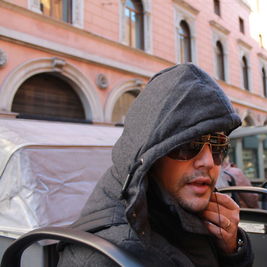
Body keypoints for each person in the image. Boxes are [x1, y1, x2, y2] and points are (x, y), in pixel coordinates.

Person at [57, 64, 254, 267]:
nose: (208, 161)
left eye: (217, 145)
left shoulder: (185, 211)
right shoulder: (104, 256)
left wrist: (232, 250)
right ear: (152, 153)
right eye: (187, 144)